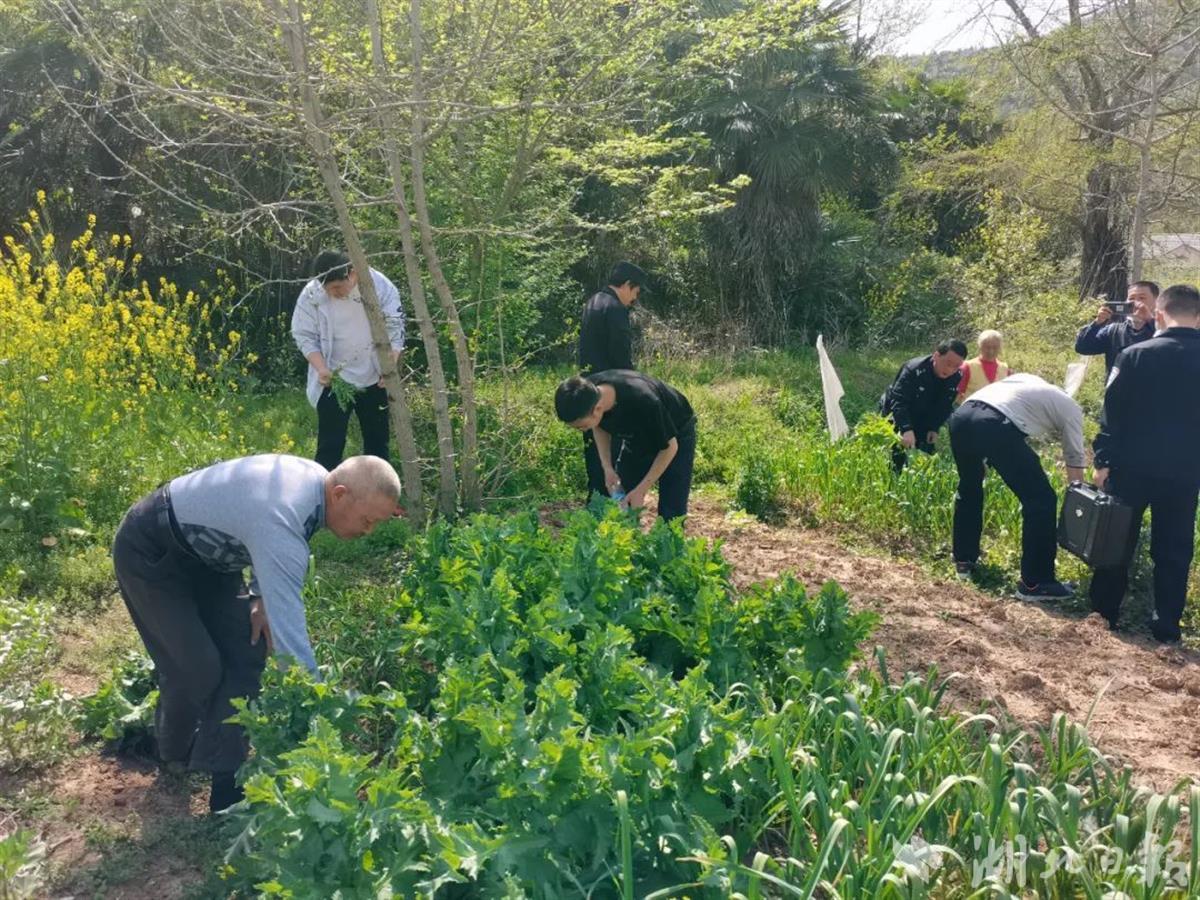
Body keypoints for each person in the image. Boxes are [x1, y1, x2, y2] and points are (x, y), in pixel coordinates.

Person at [111, 454, 402, 812]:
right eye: (367, 520)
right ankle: (171, 752)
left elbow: (253, 520)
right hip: (151, 548)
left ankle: (227, 788)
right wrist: (318, 714)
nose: (368, 532)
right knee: (196, 667)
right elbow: (290, 641)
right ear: (340, 494)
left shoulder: (317, 484)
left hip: (212, 561)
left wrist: (260, 595)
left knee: (246, 651)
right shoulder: (286, 516)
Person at [1090, 283, 1200, 643]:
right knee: (1174, 550)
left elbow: (1112, 414)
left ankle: (1104, 614)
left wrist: (1103, 460)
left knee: (1116, 540)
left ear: (1160, 314)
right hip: (1185, 472)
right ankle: (1166, 624)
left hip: (1131, 467)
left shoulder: (1134, 355)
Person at [948, 373, 1085, 600]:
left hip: (962, 416)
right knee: (1041, 500)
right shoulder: (1071, 409)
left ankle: (964, 559)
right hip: (994, 424)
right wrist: (1080, 505)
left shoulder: (1026, 381)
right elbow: (1075, 462)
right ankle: (1036, 582)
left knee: (970, 485)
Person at [291, 250, 406, 471]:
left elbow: (395, 325)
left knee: (377, 445)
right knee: (330, 445)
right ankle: (324, 489)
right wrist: (321, 368)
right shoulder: (312, 294)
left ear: (352, 274)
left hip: (373, 378)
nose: (333, 293)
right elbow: (303, 334)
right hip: (334, 380)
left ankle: (376, 491)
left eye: (337, 287)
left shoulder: (380, 286)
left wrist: (389, 366)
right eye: (328, 289)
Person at [555, 371, 695, 522]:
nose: (583, 430)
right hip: (636, 435)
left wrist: (642, 490)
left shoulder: (645, 401)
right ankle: (627, 531)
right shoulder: (587, 394)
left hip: (677, 431)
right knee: (624, 494)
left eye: (581, 426)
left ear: (597, 409)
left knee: (672, 502)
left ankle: (670, 534)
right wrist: (607, 468)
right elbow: (599, 426)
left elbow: (670, 447)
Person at [577, 261, 649, 501]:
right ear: (627, 285)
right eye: (636, 292)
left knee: (594, 452)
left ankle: (595, 503)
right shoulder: (616, 309)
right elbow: (621, 358)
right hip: (610, 393)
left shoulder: (593, 302)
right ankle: (614, 506)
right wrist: (633, 388)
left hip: (588, 389)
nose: (634, 299)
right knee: (614, 454)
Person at [879, 340, 967, 472]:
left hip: (925, 415)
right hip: (898, 413)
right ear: (936, 355)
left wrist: (934, 427)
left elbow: (945, 404)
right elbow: (899, 400)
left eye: (956, 366)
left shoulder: (956, 376)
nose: (950, 370)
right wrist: (906, 428)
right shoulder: (914, 369)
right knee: (896, 456)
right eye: (948, 363)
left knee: (924, 459)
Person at [1074, 280, 1159, 373]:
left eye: (1142, 298)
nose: (1135, 303)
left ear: (1156, 302)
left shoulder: (1163, 331)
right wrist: (1097, 322)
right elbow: (1082, 347)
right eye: (1131, 298)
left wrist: (1150, 320)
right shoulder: (1113, 331)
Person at [957, 329, 1013, 400]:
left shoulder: (1005, 369)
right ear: (980, 346)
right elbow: (957, 395)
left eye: (995, 347)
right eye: (987, 347)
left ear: (999, 348)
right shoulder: (967, 367)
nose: (991, 351)